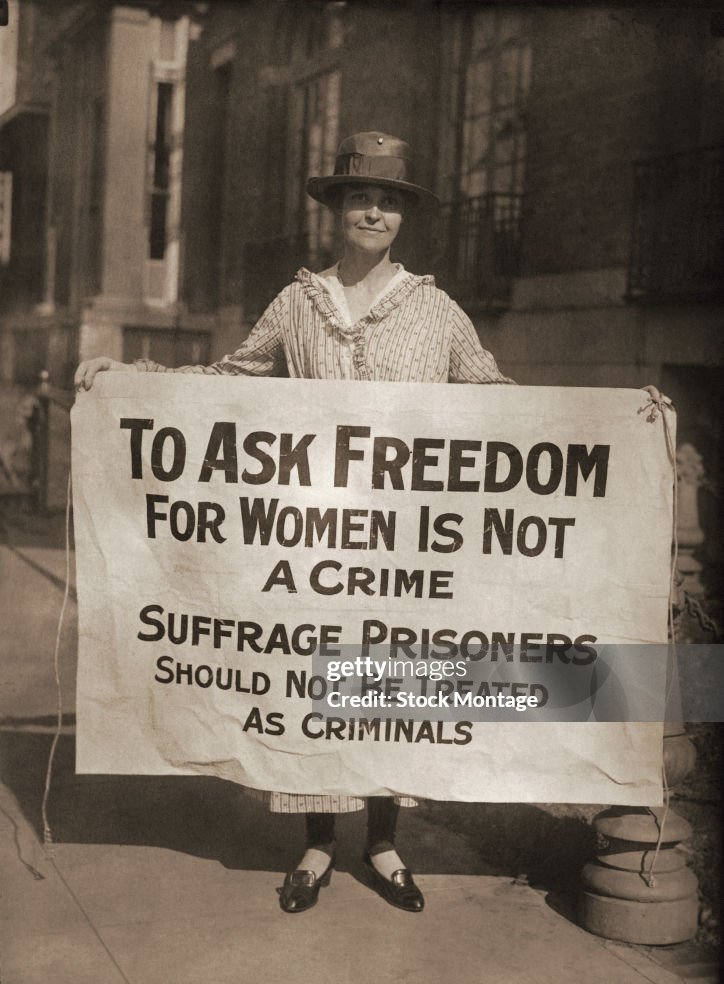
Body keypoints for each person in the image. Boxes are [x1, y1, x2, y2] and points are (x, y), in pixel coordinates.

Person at [82, 130, 665, 915]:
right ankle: (319, 843)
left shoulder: (436, 309)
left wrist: (618, 426)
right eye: (362, 198)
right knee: (320, 678)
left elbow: (498, 399)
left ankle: (385, 844)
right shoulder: (299, 303)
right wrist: (130, 383)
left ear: (403, 218)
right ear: (337, 209)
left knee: (392, 686)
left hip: (411, 551)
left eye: (390, 202)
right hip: (316, 542)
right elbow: (230, 379)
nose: (375, 213)